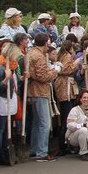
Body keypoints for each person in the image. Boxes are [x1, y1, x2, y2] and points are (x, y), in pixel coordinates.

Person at [26, 32, 60, 162]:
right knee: (45, 123)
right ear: (46, 43)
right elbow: (42, 76)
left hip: (32, 91)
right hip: (40, 91)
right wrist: (55, 71)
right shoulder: (39, 56)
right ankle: (42, 152)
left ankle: (34, 150)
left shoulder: (30, 53)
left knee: (36, 122)